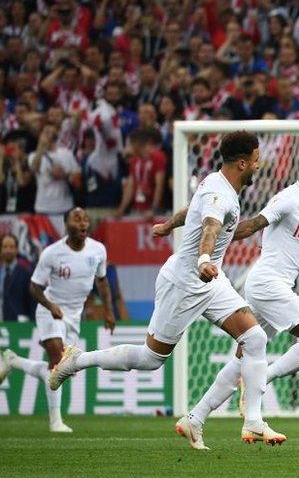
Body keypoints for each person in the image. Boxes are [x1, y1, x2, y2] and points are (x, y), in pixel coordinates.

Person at [47, 131, 286, 446]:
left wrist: (169, 225)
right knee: (150, 358)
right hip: (186, 281)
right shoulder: (221, 194)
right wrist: (203, 258)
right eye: (256, 160)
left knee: (254, 337)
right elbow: (211, 226)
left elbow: (194, 211)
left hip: (211, 280)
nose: (260, 165)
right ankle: (77, 360)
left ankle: (244, 420)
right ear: (242, 163)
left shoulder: (216, 184)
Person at [154, 152, 299, 449]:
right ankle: (261, 381)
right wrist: (214, 238)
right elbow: (254, 224)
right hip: (268, 284)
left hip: (272, 285)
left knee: (244, 357)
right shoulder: (288, 199)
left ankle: (195, 417)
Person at [0, 208, 114, 433]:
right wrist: (51, 306)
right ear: (66, 225)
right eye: (76, 219)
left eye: (85, 219)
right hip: (50, 310)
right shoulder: (52, 253)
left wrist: (108, 311)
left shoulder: (98, 250)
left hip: (73, 315)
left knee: (61, 370)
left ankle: (13, 361)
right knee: (56, 357)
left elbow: (102, 282)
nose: (82, 222)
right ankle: (55, 422)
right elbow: (34, 286)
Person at [0, 234, 34, 321]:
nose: (8, 250)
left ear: (17, 249)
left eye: (11, 247)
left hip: (19, 327)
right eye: (5, 247)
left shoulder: (26, 274)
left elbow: (32, 303)